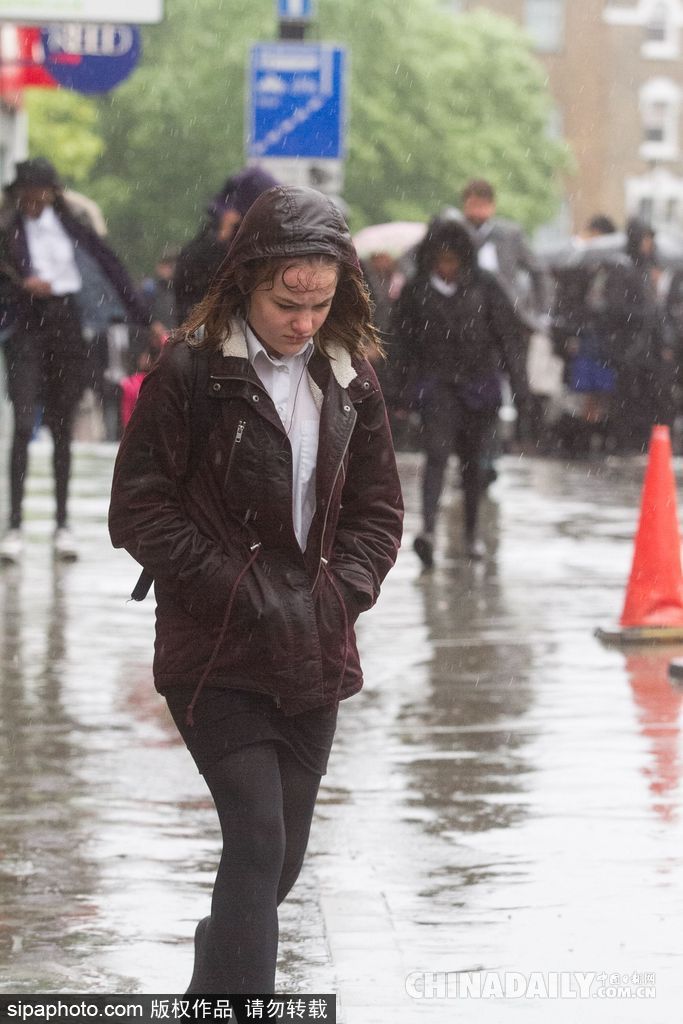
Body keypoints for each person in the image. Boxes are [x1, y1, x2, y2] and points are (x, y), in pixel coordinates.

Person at [108, 185, 403, 995]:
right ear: (246, 281)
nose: (303, 321)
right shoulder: (189, 369)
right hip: (216, 647)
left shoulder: (351, 377)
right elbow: (138, 509)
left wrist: (337, 593)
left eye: (320, 302)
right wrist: (239, 590)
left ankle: (217, 972)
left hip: (315, 645)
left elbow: (378, 514)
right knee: (258, 839)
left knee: (280, 863)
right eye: (286, 302)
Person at [0, 157, 147, 564]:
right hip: (24, 330)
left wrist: (146, 321)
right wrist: (22, 287)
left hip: (67, 329)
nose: (33, 199)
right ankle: (14, 525)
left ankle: (62, 524)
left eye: (41, 191)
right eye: (26, 192)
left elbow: (112, 270)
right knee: (25, 422)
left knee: (62, 425)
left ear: (52, 193)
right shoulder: (7, 233)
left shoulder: (74, 230)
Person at [391, 217, 529, 568]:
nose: (447, 267)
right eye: (442, 259)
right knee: (435, 457)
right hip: (437, 387)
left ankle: (470, 535)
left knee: (473, 467)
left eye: (453, 260)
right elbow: (401, 344)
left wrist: (520, 388)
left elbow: (510, 340)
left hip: (479, 390)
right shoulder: (416, 290)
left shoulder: (486, 288)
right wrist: (398, 393)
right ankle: (428, 532)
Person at [173, 165, 279, 324]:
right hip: (208, 337)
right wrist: (223, 240)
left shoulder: (264, 248)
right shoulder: (203, 248)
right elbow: (196, 295)